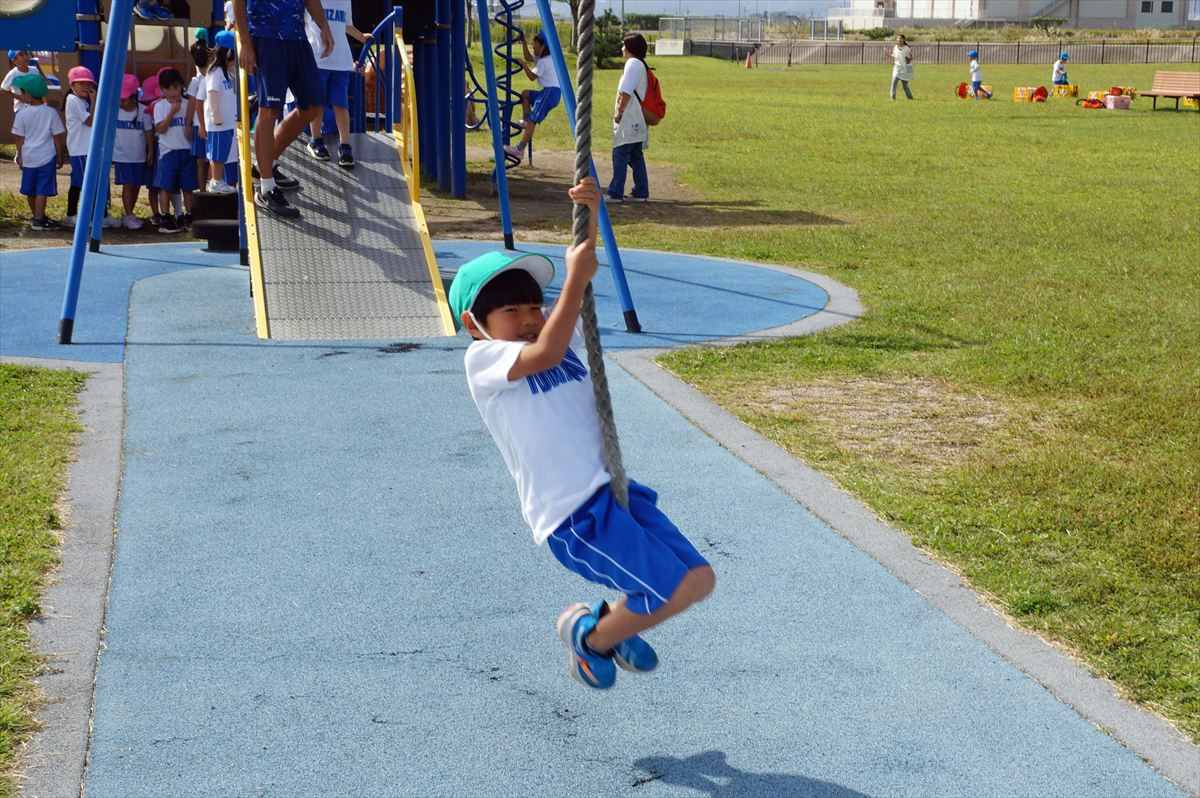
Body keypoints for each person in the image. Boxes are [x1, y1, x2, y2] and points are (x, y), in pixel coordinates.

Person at [449, 177, 716, 690]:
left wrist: (588, 215)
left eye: (534, 306)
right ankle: (591, 638)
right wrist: (573, 278)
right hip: (574, 514)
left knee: (699, 579)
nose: (529, 319)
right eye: (511, 311)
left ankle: (611, 624)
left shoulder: (556, 332)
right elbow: (546, 351)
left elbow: (575, 290)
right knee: (667, 589)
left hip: (614, 492)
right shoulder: (483, 360)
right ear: (474, 323)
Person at [233, 0, 334, 218]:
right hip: (266, 37)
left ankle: (265, 164)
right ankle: (266, 188)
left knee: (313, 107)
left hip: (297, 38)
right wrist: (245, 43)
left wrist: (324, 26)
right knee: (269, 110)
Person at [303, 0, 371, 168]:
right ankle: (315, 139)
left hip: (340, 61)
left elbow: (346, 25)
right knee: (317, 103)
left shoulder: (344, 1)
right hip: (317, 60)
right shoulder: (312, 2)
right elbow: (302, 24)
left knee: (341, 104)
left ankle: (345, 144)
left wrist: (361, 37)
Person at [63, 66, 119, 229]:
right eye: (81, 83)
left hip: (86, 149)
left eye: (89, 84)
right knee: (88, 184)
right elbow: (90, 121)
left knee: (80, 182)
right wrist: (94, 101)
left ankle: (79, 214)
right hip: (81, 149)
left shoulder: (80, 101)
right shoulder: (73, 100)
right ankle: (92, 216)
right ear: (72, 84)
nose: (86, 87)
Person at [10, 72, 65, 231]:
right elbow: (57, 137)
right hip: (47, 157)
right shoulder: (51, 113)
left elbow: (19, 139)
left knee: (31, 189)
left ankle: (36, 216)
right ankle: (39, 219)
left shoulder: (22, 114)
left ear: (27, 94)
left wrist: (20, 157)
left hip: (29, 157)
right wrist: (60, 156)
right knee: (43, 189)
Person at [502, 31, 560, 163]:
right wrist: (523, 42)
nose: (533, 46)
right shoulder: (542, 58)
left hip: (550, 93)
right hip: (547, 92)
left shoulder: (545, 61)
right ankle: (525, 120)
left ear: (543, 46)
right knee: (525, 94)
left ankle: (520, 149)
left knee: (533, 120)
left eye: (535, 44)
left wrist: (523, 65)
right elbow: (528, 57)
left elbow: (532, 77)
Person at [150, 68, 196, 233]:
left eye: (175, 88)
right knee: (165, 186)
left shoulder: (188, 104)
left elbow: (193, 124)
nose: (173, 92)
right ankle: (165, 217)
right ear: (162, 90)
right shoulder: (159, 106)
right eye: (168, 89)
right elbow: (160, 129)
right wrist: (172, 113)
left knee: (188, 187)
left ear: (181, 86)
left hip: (186, 150)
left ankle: (189, 215)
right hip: (168, 151)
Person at [606, 33, 650, 204]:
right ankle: (641, 191)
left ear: (631, 48)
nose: (622, 48)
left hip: (629, 117)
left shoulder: (632, 64)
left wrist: (619, 112)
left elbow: (625, 91)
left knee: (620, 153)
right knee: (636, 155)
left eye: (624, 45)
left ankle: (615, 192)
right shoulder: (641, 64)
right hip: (637, 118)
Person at [112, 74, 151, 230]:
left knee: (136, 185)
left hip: (139, 156)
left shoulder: (144, 111)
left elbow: (148, 132)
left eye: (124, 99)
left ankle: (129, 214)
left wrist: (150, 151)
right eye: (119, 99)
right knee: (128, 184)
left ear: (134, 96)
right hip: (121, 156)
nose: (121, 102)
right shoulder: (113, 111)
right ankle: (128, 214)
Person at [204, 31, 240, 193]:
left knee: (226, 153)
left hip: (229, 121)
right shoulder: (216, 72)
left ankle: (222, 181)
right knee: (218, 154)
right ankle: (215, 181)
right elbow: (212, 93)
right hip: (219, 122)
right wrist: (215, 114)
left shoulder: (228, 73)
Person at [189, 33, 211, 189]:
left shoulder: (205, 78)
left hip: (207, 125)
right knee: (204, 161)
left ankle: (207, 188)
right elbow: (194, 104)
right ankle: (205, 189)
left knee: (206, 161)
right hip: (202, 125)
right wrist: (191, 124)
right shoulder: (198, 80)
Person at [2, 50, 34, 116]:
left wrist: (44, 100)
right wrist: (19, 97)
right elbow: (3, 90)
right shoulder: (13, 74)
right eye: (21, 55)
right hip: (21, 109)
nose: (25, 57)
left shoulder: (34, 70)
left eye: (26, 54)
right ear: (14, 60)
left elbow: (38, 86)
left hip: (35, 108)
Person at [890, 34, 914, 101]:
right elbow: (894, 56)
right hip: (897, 68)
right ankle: (892, 98)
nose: (899, 39)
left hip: (905, 69)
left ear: (903, 40)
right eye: (898, 38)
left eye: (900, 38)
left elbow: (910, 59)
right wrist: (888, 54)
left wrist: (910, 54)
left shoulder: (907, 48)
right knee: (894, 81)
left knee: (905, 86)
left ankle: (910, 98)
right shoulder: (895, 47)